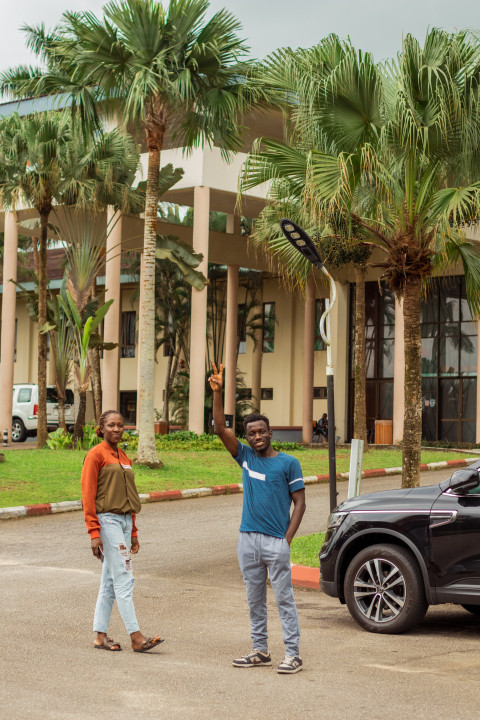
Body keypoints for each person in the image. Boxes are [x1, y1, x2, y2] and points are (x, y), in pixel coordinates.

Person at [208, 363, 306, 674]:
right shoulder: (246, 458)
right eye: (252, 433)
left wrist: (285, 540)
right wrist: (217, 391)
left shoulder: (289, 464)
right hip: (247, 540)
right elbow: (220, 428)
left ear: (271, 433)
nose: (257, 436)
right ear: (248, 438)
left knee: (284, 601)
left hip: (275, 542)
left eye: (262, 431)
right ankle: (260, 650)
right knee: (255, 601)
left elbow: (300, 504)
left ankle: (293, 654)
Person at [81, 409, 163, 653]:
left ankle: (100, 636)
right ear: (102, 428)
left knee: (109, 582)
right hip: (107, 522)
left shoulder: (124, 457)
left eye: (120, 425)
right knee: (125, 577)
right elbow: (88, 496)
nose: (117, 429)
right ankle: (136, 637)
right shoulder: (95, 455)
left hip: (125, 522)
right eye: (111, 425)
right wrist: (94, 533)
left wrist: (134, 531)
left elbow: (131, 495)